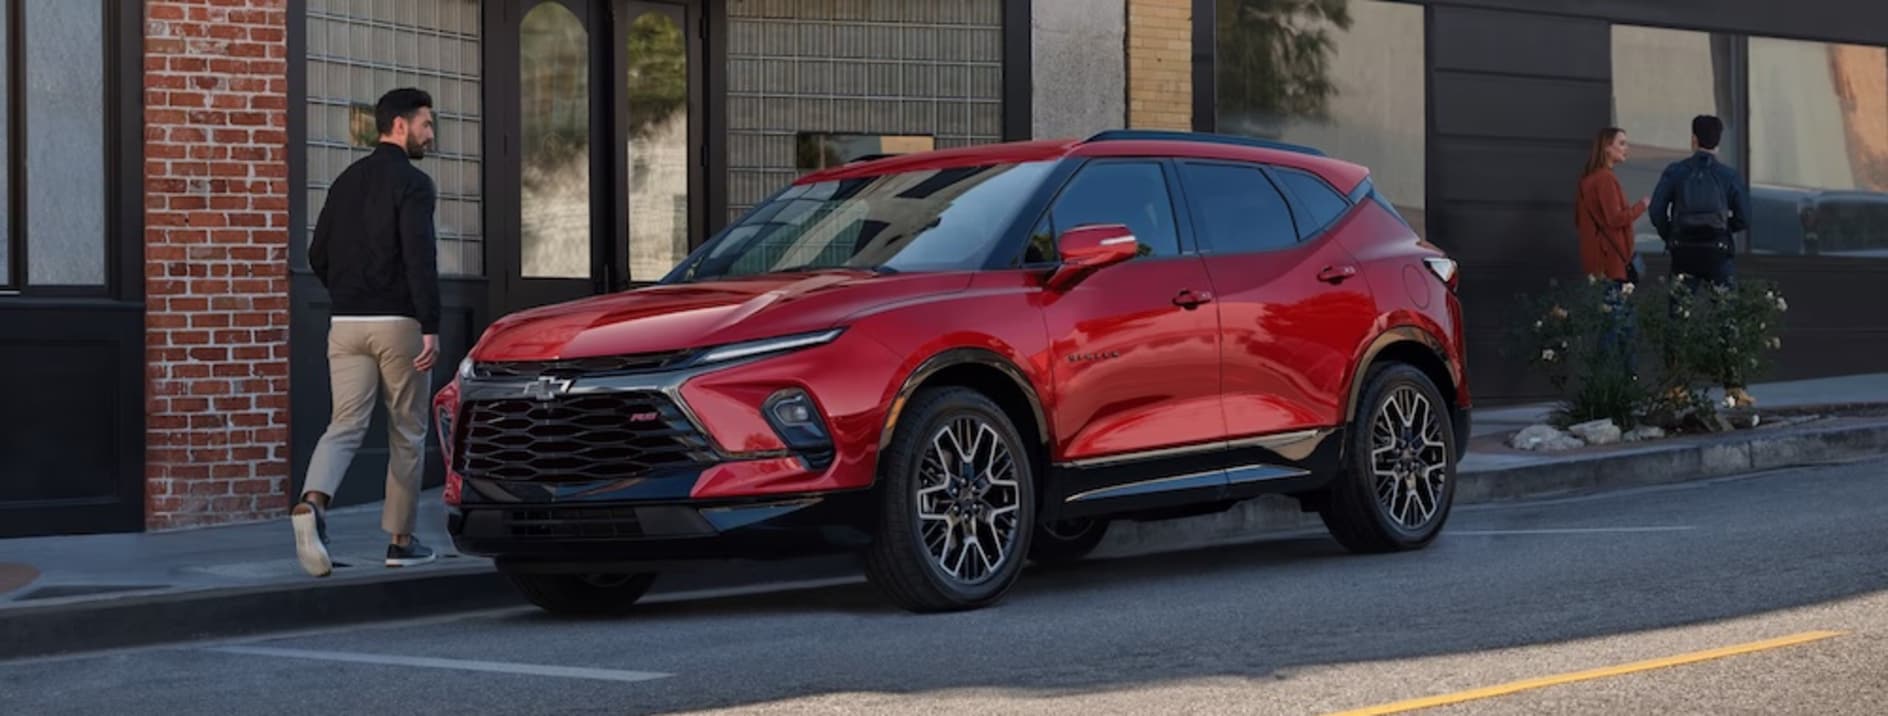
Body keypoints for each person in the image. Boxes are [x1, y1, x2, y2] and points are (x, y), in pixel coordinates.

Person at [295, 88, 442, 576]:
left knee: (344, 424)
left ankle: (312, 503)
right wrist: (431, 325)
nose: (430, 134)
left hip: (346, 323)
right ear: (400, 125)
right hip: (398, 323)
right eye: (425, 124)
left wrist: (347, 292)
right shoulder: (414, 184)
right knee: (407, 430)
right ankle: (401, 541)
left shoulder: (345, 181)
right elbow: (419, 257)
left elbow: (318, 254)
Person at [1648, 114, 1755, 407]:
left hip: (1684, 254)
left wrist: (1672, 235)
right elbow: (1744, 218)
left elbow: (1656, 211)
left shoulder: (1676, 172)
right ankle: (1734, 389)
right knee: (1727, 318)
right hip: (1718, 254)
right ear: (1718, 143)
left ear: (1693, 140)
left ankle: (1676, 388)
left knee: (1678, 320)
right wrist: (1723, 231)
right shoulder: (1728, 175)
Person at [1575, 127, 1648, 371]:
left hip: (1599, 264)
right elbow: (1615, 219)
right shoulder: (1605, 179)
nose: (1626, 148)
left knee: (1614, 327)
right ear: (1607, 147)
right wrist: (1642, 206)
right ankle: (1621, 383)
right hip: (1613, 264)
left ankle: (1611, 383)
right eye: (1622, 143)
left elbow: (1580, 222)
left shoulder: (1586, 181)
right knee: (1620, 331)